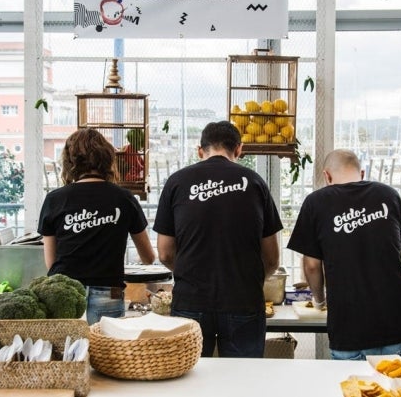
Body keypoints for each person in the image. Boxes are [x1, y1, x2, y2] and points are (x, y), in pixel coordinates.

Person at [153, 120, 282, 358]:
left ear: (200, 150)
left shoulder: (177, 183)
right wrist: (249, 279)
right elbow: (272, 258)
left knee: (190, 381)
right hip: (244, 300)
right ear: (239, 149)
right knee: (242, 384)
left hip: (191, 300)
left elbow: (165, 253)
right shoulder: (255, 183)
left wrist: (189, 272)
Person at [287, 149, 401, 361]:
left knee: (354, 393)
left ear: (327, 176)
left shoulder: (316, 202)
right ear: (361, 173)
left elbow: (312, 266)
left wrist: (319, 302)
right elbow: (395, 254)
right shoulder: (388, 195)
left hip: (350, 329)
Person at [38, 128, 156, 324]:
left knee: (70, 353)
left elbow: (51, 263)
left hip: (64, 295)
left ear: (69, 161)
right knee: (106, 352)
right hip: (109, 292)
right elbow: (148, 257)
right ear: (107, 158)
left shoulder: (54, 199)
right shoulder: (124, 198)